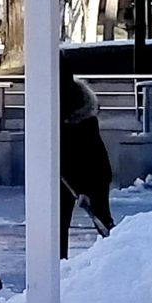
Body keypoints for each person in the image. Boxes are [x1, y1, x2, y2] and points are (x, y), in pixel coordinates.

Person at [60, 57, 114, 259]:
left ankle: (116, 257)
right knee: (58, 224)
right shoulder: (62, 95)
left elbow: (86, 153)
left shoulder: (67, 99)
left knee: (100, 217)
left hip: (89, 170)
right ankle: (58, 266)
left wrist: (82, 189)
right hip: (66, 169)